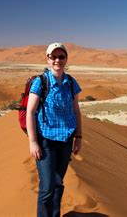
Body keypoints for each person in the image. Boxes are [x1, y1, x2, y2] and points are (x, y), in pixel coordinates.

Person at [26, 42, 83, 217]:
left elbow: (76, 110)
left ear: (66, 59)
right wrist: (33, 142)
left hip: (65, 141)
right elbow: (30, 111)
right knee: (47, 186)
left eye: (61, 57)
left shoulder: (71, 82)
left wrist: (79, 137)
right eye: (54, 57)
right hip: (45, 142)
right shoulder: (40, 82)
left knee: (58, 183)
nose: (57, 60)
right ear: (48, 59)